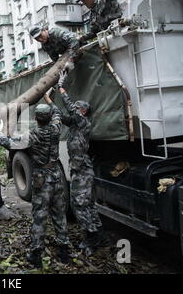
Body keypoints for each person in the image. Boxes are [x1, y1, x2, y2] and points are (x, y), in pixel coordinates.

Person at [0, 101, 70, 267]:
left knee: (39, 216)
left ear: (36, 118)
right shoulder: (56, 129)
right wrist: (51, 100)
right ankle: (64, 252)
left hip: (42, 179)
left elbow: (7, 143)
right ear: (49, 117)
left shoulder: (32, 135)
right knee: (59, 214)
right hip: (56, 176)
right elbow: (58, 114)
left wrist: (0, 131)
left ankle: (36, 255)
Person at [57, 71, 105, 255]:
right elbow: (62, 115)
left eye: (77, 108)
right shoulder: (75, 125)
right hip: (78, 169)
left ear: (83, 111)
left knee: (79, 204)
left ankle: (92, 237)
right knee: (86, 203)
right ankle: (98, 234)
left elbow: (69, 109)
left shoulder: (83, 122)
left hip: (83, 169)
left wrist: (61, 88)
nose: (74, 110)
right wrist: (49, 101)